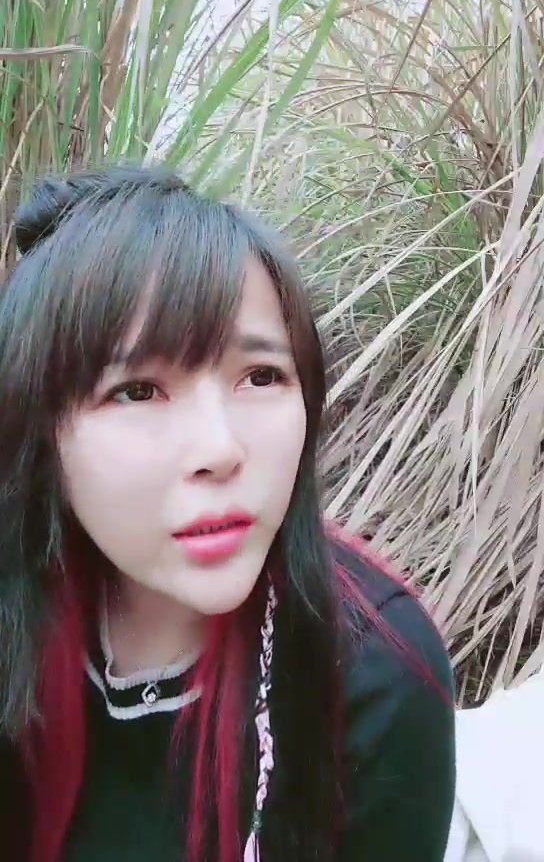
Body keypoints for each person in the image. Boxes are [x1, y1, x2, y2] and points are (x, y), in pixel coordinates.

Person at [0, 165, 455, 862]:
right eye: (138, 390)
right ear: (38, 428)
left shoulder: (374, 672)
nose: (220, 448)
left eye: (261, 376)